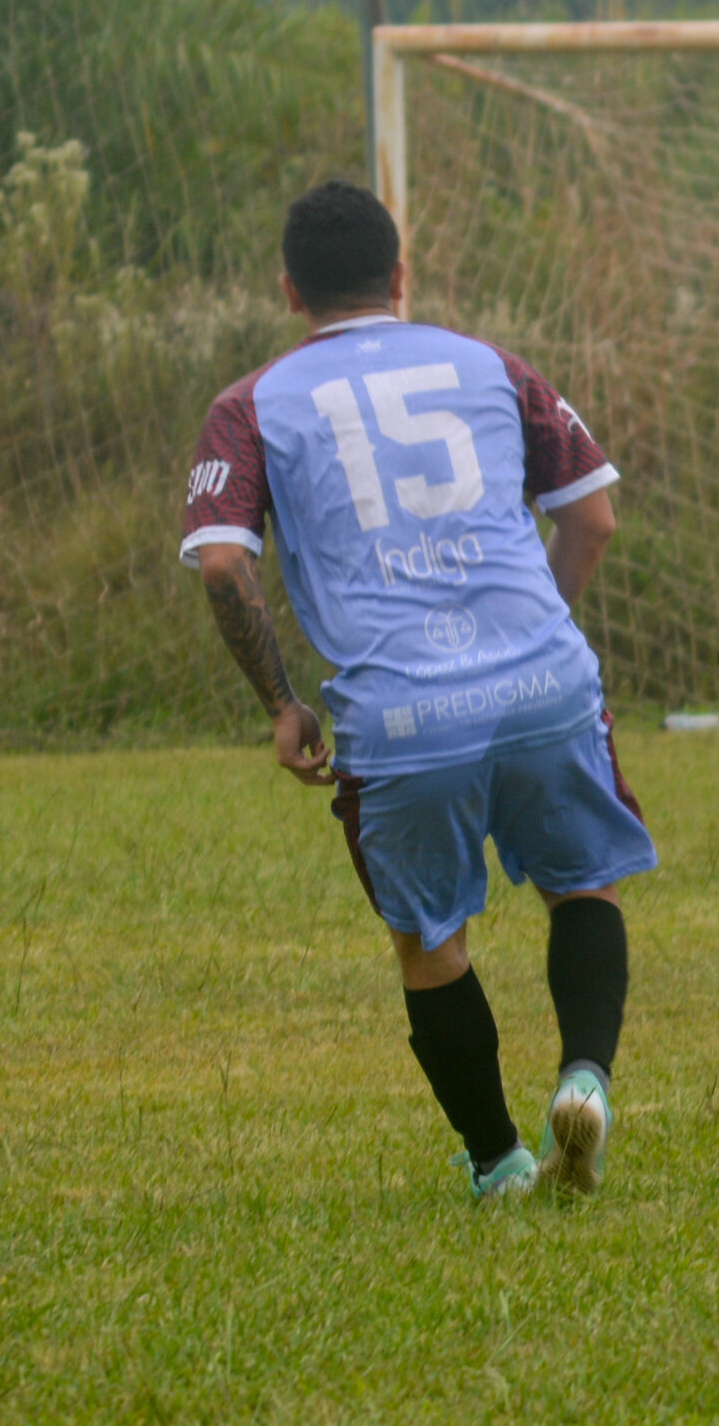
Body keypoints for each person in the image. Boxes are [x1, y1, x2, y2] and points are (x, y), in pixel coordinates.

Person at [180, 180, 649, 1202]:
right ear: (400, 275)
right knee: (583, 884)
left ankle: (499, 1162)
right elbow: (594, 518)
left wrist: (282, 704)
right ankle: (585, 1081)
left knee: (429, 940)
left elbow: (221, 563)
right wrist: (536, 639)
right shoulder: (492, 364)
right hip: (544, 681)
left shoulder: (248, 404)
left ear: (289, 289)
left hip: (400, 713)